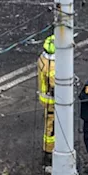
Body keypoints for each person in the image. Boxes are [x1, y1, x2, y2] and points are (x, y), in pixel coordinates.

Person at [38, 36, 56, 164]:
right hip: (51, 101)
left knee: (48, 123)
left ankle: (48, 150)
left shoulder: (42, 59)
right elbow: (55, 85)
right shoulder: (52, 66)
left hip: (43, 97)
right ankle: (48, 151)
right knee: (51, 126)